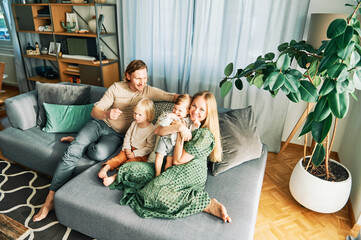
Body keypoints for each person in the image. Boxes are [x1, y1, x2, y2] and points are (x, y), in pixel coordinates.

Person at [33, 60, 178, 222]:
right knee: (73, 151)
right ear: (128, 76)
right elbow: (95, 111)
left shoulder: (148, 90)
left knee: (97, 153)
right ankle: (50, 199)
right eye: (138, 78)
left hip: (115, 135)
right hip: (99, 124)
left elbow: (171, 97)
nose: (142, 82)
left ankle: (79, 140)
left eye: (145, 78)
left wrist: (193, 106)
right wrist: (107, 114)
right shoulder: (116, 88)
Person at [109, 91, 231, 223]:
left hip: (189, 173)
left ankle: (206, 203)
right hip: (172, 166)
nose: (195, 111)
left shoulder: (204, 134)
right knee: (130, 168)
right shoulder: (185, 119)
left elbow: (178, 160)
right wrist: (179, 126)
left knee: (151, 195)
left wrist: (180, 131)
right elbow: (158, 131)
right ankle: (128, 178)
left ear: (208, 113)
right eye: (194, 106)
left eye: (202, 109)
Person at [98, 98, 156, 186]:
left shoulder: (152, 130)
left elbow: (149, 147)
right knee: (118, 158)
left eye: (140, 115)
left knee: (128, 166)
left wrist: (135, 153)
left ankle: (114, 177)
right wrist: (127, 148)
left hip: (140, 154)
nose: (136, 116)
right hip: (129, 148)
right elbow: (127, 137)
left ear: (148, 116)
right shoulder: (134, 123)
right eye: (135, 113)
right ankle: (106, 168)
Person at [154, 93, 200, 176]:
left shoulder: (188, 121)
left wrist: (196, 124)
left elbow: (190, 132)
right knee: (159, 156)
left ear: (187, 111)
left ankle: (164, 175)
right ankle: (157, 173)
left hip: (174, 145)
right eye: (174, 108)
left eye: (180, 110)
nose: (176, 111)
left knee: (169, 161)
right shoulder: (171, 115)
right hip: (165, 140)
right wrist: (168, 116)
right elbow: (162, 124)